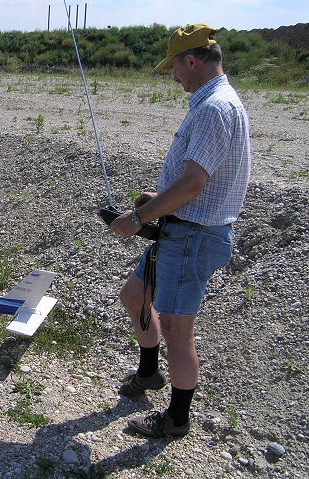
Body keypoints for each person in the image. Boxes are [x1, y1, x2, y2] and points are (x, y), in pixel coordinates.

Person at [109, 24, 251, 437]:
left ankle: (176, 418)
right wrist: (157, 201)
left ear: (191, 60)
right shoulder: (215, 103)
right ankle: (150, 373)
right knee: (135, 295)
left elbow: (193, 185)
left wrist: (138, 218)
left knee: (175, 327)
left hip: (192, 236)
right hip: (178, 228)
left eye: (174, 66)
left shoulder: (213, 109)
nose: (173, 76)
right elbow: (201, 179)